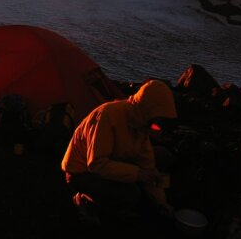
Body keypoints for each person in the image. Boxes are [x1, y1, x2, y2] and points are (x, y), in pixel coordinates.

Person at [61, 79, 177, 224]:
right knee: (131, 194)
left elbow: (148, 166)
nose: (157, 130)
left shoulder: (140, 126)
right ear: (146, 112)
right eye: (156, 125)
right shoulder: (108, 116)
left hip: (111, 160)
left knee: (161, 155)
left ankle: (113, 200)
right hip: (80, 172)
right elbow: (96, 164)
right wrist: (137, 174)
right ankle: (86, 201)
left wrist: (162, 203)